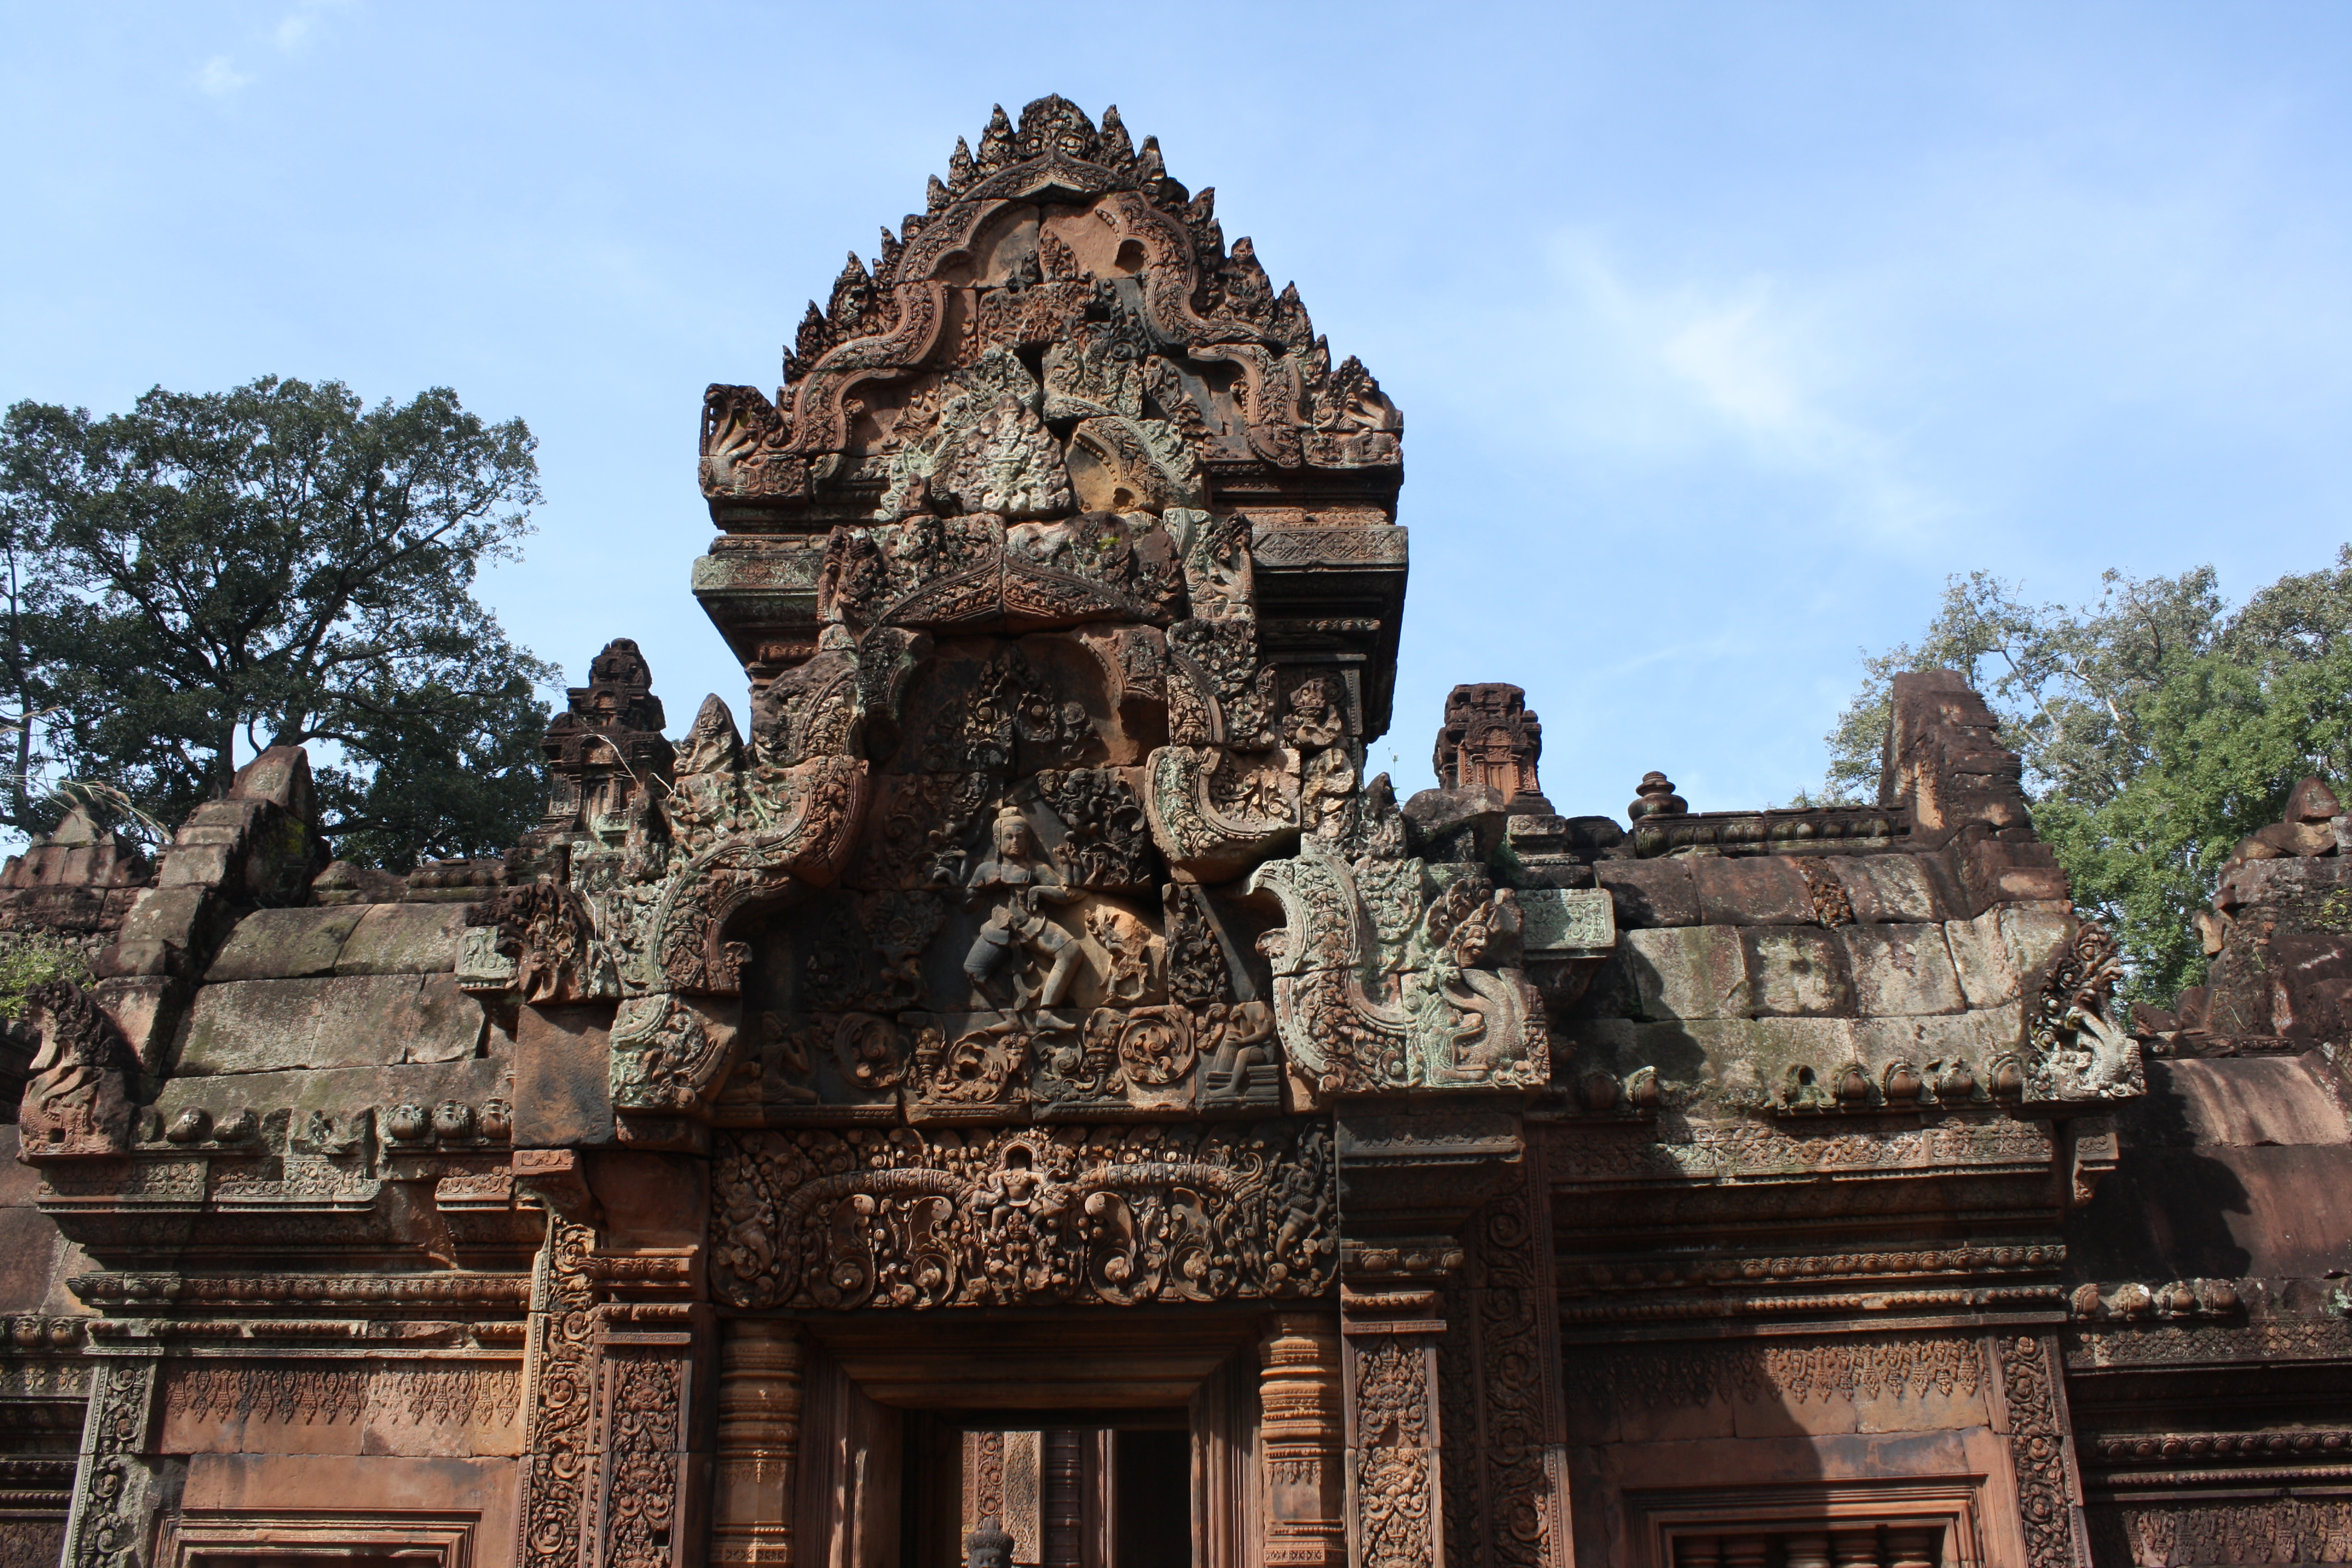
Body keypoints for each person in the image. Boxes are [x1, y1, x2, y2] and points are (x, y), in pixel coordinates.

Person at [962, 805, 1085, 1010]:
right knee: (974, 970)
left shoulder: (1037, 868)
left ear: (1028, 841)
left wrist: (1039, 889)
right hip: (998, 928)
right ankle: (1010, 1018)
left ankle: (1046, 1010)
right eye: (1009, 837)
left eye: (1020, 837)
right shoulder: (986, 869)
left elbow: (1064, 895)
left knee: (1071, 952)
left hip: (1030, 924)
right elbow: (967, 903)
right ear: (997, 840)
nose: (1015, 842)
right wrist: (975, 888)